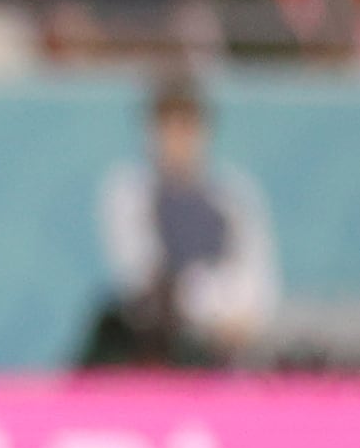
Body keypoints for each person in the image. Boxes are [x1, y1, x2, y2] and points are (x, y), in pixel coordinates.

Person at [84, 69, 277, 367]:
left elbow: (258, 271)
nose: (178, 139)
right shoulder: (130, 192)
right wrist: (213, 316)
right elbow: (139, 277)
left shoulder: (234, 196)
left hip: (236, 342)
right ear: (151, 131)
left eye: (187, 126)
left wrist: (241, 318)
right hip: (165, 350)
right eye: (168, 127)